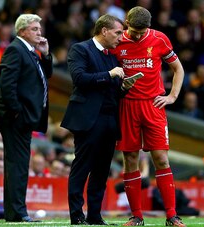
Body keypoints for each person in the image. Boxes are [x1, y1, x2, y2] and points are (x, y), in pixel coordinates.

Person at [111, 6, 186, 227]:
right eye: (134, 31)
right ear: (126, 23)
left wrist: (172, 96)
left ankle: (172, 216)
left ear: (149, 27)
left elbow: (178, 69)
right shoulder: (117, 42)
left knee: (161, 159)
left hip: (153, 106)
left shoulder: (159, 39)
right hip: (127, 106)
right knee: (130, 159)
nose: (138, 35)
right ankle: (136, 217)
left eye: (142, 32)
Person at [60, 14, 131, 225]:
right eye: (118, 32)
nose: (121, 37)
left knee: (101, 170)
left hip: (110, 120)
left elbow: (112, 90)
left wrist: (123, 88)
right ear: (104, 31)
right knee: (82, 167)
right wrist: (109, 75)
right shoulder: (80, 49)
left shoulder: (112, 56)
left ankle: (94, 215)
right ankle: (76, 215)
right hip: (89, 119)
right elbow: (79, 79)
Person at [0, 14, 53, 222]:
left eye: (39, 28)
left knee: (18, 165)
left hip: (23, 118)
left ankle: (15, 212)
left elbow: (46, 75)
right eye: (34, 29)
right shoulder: (15, 50)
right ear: (22, 31)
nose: (39, 32)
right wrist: (18, 112)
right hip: (15, 118)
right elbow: (7, 86)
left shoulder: (30, 51)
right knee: (17, 165)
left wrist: (45, 54)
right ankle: (17, 213)